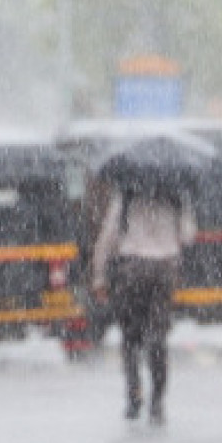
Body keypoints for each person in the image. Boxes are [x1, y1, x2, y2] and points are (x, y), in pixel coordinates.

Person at [90, 176, 196, 424]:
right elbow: (189, 236)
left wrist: (99, 277)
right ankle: (157, 401)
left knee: (130, 337)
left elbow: (108, 239)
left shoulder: (125, 198)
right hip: (164, 270)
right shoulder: (176, 197)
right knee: (158, 336)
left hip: (132, 270)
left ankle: (134, 394)